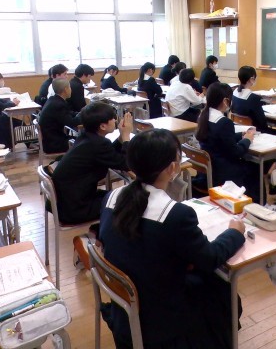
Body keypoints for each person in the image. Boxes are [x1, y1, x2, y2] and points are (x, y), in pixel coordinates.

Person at [99, 129, 245, 349]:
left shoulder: (111, 197)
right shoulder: (176, 215)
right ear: (172, 168)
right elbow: (210, 258)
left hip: (126, 308)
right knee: (222, 289)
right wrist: (235, 232)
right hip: (160, 320)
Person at [51, 102, 133, 224]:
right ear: (103, 126)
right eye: (112, 118)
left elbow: (110, 154)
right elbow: (126, 163)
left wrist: (121, 138)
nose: (115, 121)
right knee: (132, 201)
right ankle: (115, 234)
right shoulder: (98, 144)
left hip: (70, 202)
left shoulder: (86, 136)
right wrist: (126, 137)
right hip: (78, 208)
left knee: (123, 196)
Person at [196, 83, 260, 202]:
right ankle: (257, 205)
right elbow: (236, 152)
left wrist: (240, 135)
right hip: (223, 173)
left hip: (208, 171)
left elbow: (219, 139)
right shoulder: (224, 122)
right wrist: (247, 140)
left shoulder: (203, 116)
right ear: (225, 101)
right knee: (254, 167)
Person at [38, 79, 81, 154]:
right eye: (70, 87)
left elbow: (67, 113)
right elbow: (71, 123)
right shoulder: (58, 105)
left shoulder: (53, 100)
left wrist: (79, 113)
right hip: (55, 144)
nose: (71, 90)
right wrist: (84, 116)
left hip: (51, 140)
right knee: (84, 142)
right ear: (66, 89)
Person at [231, 65, 272, 133]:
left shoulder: (234, 93)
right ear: (251, 79)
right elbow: (262, 123)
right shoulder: (253, 98)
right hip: (253, 132)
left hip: (238, 130)